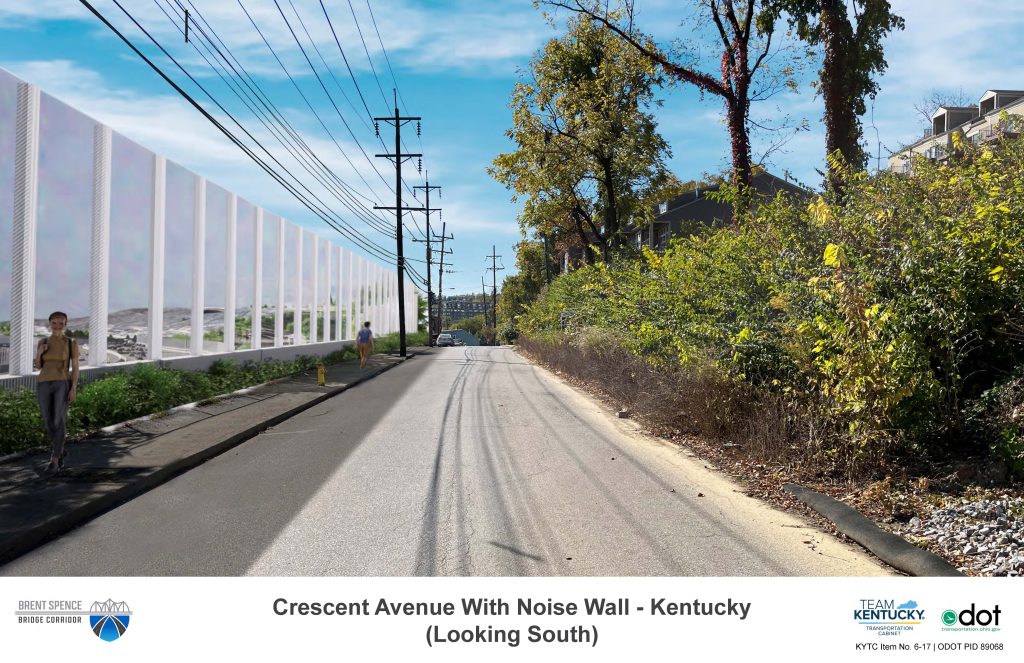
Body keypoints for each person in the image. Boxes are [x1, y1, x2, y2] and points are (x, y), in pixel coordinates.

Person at [33, 311, 79, 474]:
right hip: (43, 383)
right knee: (48, 422)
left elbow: (75, 368)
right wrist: (40, 352)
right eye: (54, 322)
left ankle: (54, 459)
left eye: (61, 323)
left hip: (62, 383)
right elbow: (38, 366)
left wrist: (73, 388)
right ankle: (60, 449)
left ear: (66, 324)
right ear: (50, 323)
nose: (57, 326)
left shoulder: (70, 342)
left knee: (58, 419)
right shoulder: (43, 341)